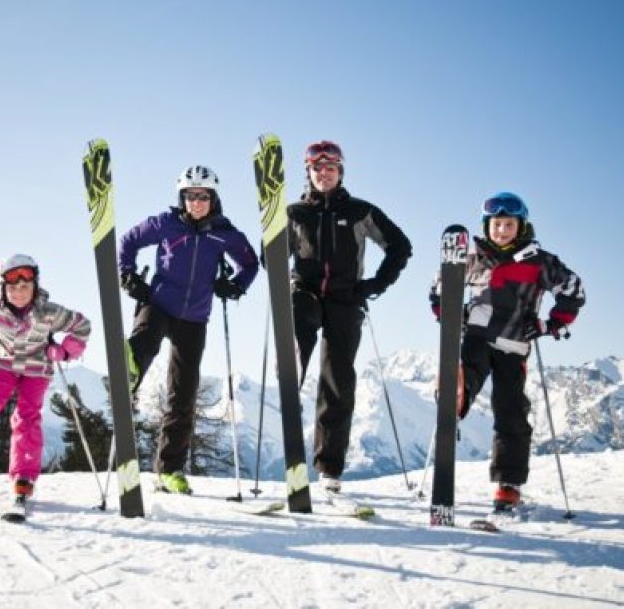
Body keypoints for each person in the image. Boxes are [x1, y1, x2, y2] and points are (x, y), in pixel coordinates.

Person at [429, 192, 585, 511]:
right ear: (487, 226)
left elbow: (574, 290)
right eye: (497, 224)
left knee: (511, 411)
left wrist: (550, 324)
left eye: (509, 224)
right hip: (477, 336)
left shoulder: (540, 262)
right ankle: (454, 396)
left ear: (521, 226)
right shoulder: (471, 259)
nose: (502, 230)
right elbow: (437, 291)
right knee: (469, 370)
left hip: (514, 344)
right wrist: (449, 314)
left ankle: (508, 484)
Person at [118, 165, 260, 494]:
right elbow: (128, 241)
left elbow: (250, 262)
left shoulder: (224, 233)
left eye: (203, 196)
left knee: (183, 393)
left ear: (213, 198)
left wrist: (236, 285)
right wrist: (128, 275)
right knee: (145, 341)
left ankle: (170, 469)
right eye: (191, 196)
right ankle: (129, 370)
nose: (196, 202)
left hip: (195, 318)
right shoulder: (165, 223)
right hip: (159, 302)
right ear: (182, 197)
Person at [287, 140, 412, 497]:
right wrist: (273, 257)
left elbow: (400, 246)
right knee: (301, 322)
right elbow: (275, 255)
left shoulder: (360, 211)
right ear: (308, 172)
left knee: (337, 382)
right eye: (317, 168)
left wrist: (376, 284)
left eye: (330, 168)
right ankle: (292, 361)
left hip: (346, 299)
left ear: (340, 172)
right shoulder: (295, 213)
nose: (323, 173)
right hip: (306, 293)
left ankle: (329, 469)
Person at [0, 254, 90, 502]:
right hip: (5, 365)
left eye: (25, 286)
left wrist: (64, 351)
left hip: (36, 369)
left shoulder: (48, 312)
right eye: (12, 288)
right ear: (2, 289)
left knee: (27, 415)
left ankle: (24, 476)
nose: (19, 293)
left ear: (35, 285)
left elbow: (82, 326)